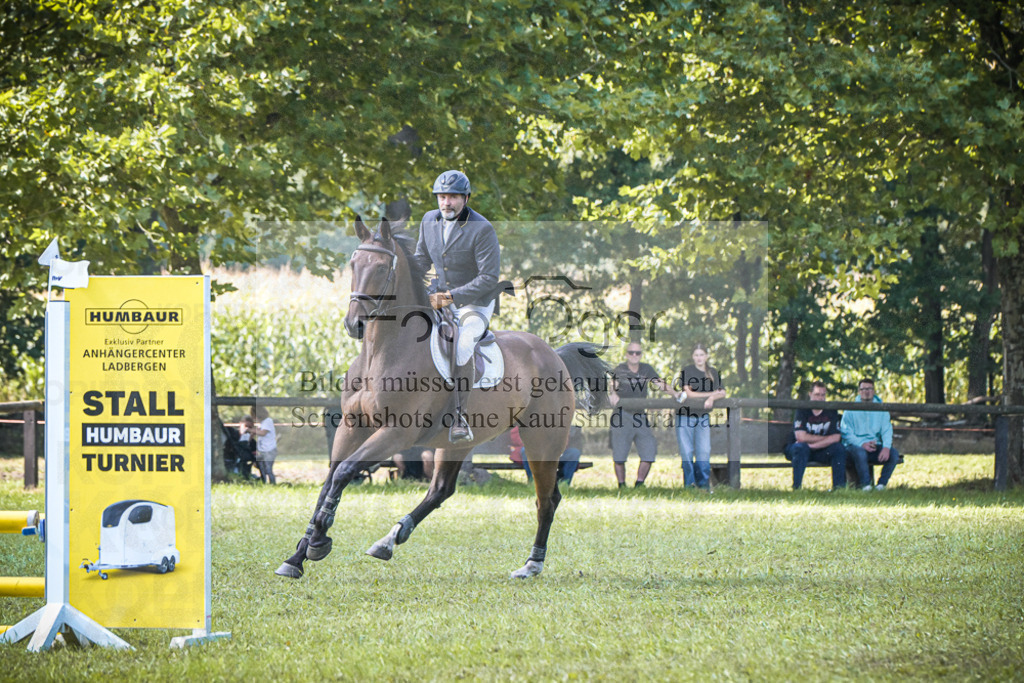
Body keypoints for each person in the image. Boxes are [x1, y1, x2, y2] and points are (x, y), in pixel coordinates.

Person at [413, 170, 501, 443]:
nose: (446, 202)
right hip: (438, 299)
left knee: (462, 345)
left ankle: (460, 416)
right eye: (442, 196)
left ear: (465, 198)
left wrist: (449, 297)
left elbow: (488, 278)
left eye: (452, 197)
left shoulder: (481, 228)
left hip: (475, 304)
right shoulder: (429, 220)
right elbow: (420, 259)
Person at [608, 342, 679, 488]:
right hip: (622, 415)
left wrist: (675, 393)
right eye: (631, 352)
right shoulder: (619, 369)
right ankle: (622, 486)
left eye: (637, 353)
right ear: (627, 354)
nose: (634, 355)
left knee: (649, 451)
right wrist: (613, 394)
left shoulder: (646, 369)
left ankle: (639, 484)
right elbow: (611, 385)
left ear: (641, 355)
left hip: (640, 416)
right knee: (619, 455)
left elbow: (660, 384)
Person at [675, 343, 725, 489]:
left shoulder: (713, 372)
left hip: (703, 417)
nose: (699, 358)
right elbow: (689, 393)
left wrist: (711, 399)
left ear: (706, 356)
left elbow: (722, 393)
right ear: (693, 356)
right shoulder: (687, 371)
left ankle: (703, 486)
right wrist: (711, 394)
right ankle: (689, 485)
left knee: (703, 451)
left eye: (702, 355)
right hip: (685, 416)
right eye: (696, 355)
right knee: (687, 452)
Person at [783, 381, 847, 490]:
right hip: (800, 450)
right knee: (800, 447)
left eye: (823, 395)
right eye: (817, 394)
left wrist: (812, 445)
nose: (820, 398)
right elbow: (801, 437)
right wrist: (826, 439)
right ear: (810, 394)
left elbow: (836, 438)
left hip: (819, 450)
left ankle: (839, 489)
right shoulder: (802, 410)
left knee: (839, 448)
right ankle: (796, 488)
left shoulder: (831, 411)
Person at [840, 378, 901, 491]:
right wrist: (861, 443)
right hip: (855, 447)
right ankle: (866, 485)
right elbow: (846, 432)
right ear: (859, 391)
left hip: (875, 445)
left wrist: (886, 447)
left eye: (869, 389)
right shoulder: (850, 409)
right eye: (863, 389)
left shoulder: (881, 409)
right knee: (860, 452)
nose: (866, 392)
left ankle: (881, 485)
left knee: (893, 454)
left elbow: (887, 430)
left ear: (873, 391)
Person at [246, 405, 278, 484]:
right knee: (261, 468)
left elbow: (263, 433)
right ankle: (264, 482)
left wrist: (251, 430)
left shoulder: (268, 421)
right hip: (262, 450)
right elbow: (258, 431)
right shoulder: (262, 423)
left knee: (268, 469)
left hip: (269, 450)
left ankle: (272, 483)